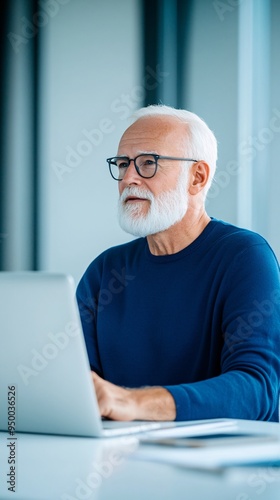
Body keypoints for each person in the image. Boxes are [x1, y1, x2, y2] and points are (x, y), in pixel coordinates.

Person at [76, 104, 280, 423]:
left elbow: (257, 389)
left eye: (148, 163)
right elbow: (74, 389)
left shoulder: (244, 257)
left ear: (197, 178)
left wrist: (136, 403)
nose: (129, 177)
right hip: (119, 460)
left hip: (215, 464)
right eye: (123, 163)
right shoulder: (104, 272)